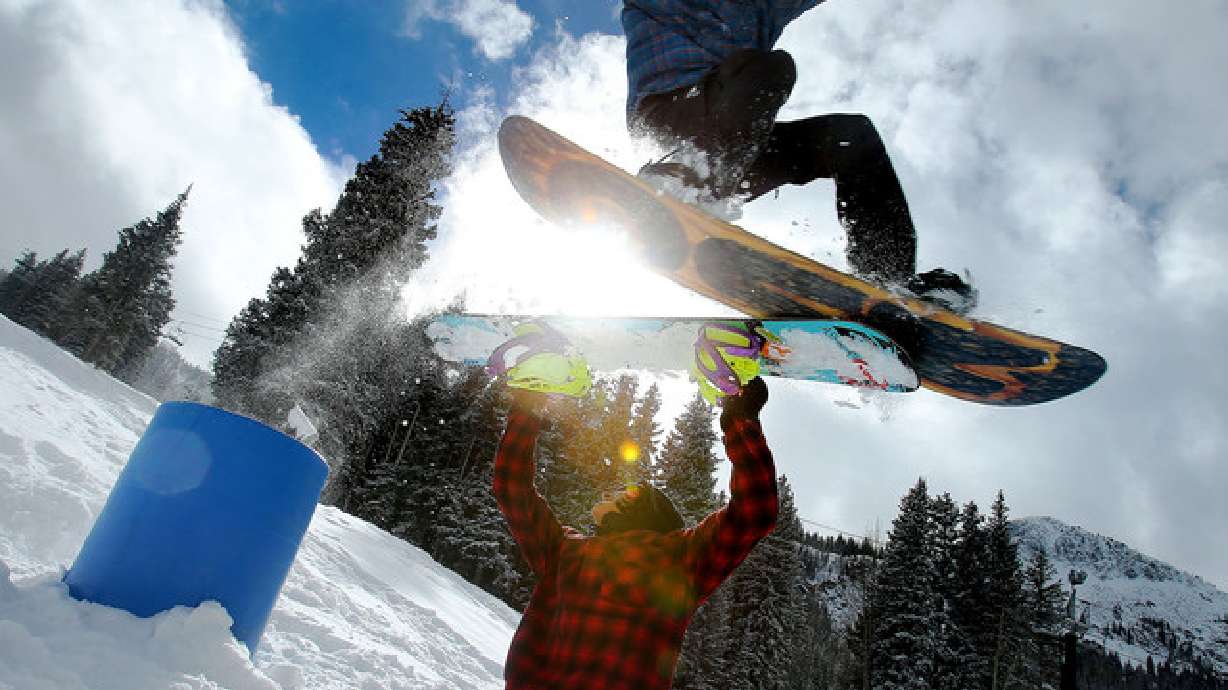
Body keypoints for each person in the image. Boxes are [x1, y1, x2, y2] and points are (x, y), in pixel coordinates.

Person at [621, 0, 977, 312]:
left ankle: (889, 283)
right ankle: (684, 177)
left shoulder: (761, 6)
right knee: (767, 68)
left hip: (737, 143)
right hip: (667, 124)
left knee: (851, 137)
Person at [489, 322, 778, 689]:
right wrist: (741, 420)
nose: (613, 492)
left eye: (626, 492)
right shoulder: (574, 553)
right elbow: (513, 487)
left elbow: (755, 511)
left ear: (643, 514)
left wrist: (740, 420)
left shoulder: (670, 561)